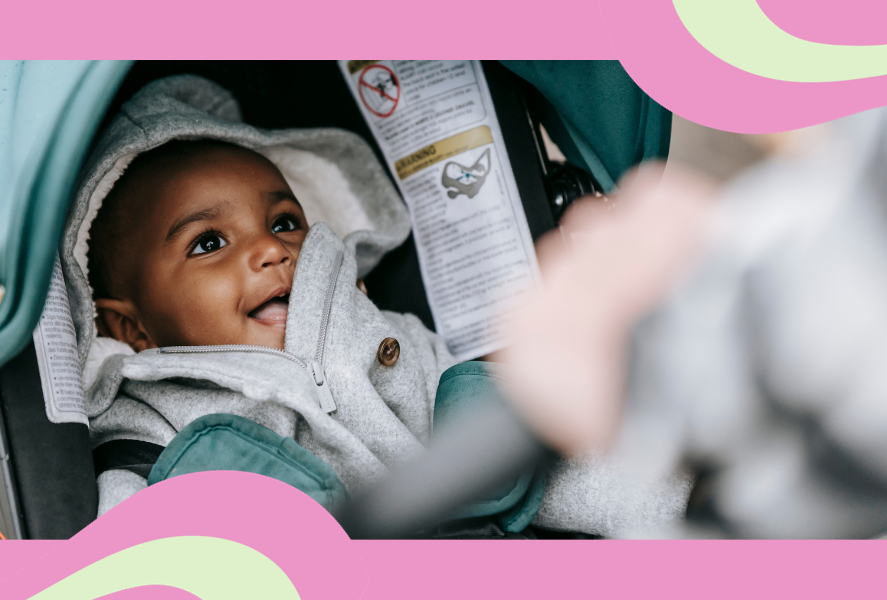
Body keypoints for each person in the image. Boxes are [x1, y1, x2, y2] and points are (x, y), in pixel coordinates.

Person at [64, 74, 695, 537]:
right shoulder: (149, 422)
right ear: (131, 327)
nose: (269, 251)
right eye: (209, 242)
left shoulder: (385, 339)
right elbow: (130, 535)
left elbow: (534, 455)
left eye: (284, 223)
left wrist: (671, 500)